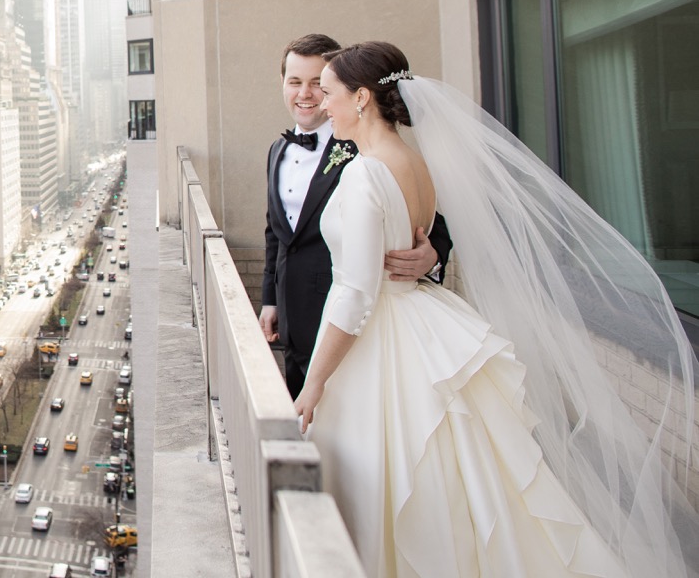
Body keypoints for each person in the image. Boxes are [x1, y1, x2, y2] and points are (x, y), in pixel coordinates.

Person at [295, 41, 697, 576]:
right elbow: (414, 243)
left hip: (384, 340)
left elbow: (356, 293)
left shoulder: (367, 172)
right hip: (422, 319)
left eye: (328, 92)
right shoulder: (415, 162)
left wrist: (316, 381)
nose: (322, 104)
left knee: (401, 476)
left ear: (362, 97)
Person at [260, 34, 451, 397]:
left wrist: (431, 255)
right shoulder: (277, 150)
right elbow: (276, 231)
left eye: (319, 85)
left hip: (353, 326)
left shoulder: (367, 152)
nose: (306, 94)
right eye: (294, 82)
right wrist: (270, 300)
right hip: (291, 321)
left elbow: (429, 222)